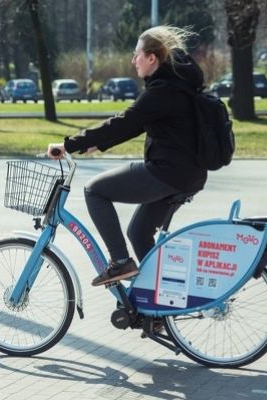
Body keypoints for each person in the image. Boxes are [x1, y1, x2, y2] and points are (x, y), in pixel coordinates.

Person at [47, 25, 208, 286]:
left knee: (94, 190)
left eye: (137, 54)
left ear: (152, 58)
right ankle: (155, 310)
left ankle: (120, 262)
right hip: (186, 174)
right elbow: (137, 125)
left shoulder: (161, 91)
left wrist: (69, 144)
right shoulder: (175, 86)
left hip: (167, 172)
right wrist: (98, 145)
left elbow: (124, 121)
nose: (133, 60)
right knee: (139, 233)